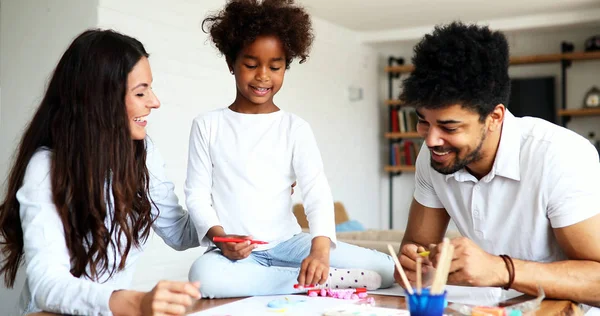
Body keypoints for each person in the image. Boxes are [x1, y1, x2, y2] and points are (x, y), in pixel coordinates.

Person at [185, 0, 394, 298]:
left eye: (275, 66)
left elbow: (316, 193)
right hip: (236, 252)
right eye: (251, 64)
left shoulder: (295, 128)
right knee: (203, 278)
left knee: (386, 271)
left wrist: (320, 252)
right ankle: (321, 281)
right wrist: (221, 239)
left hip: (289, 243)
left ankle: (311, 275)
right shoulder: (207, 125)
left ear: (286, 66)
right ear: (231, 63)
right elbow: (196, 194)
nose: (263, 76)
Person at [396, 22, 600, 306]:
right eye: (422, 121)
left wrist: (500, 269)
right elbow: (417, 252)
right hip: (485, 308)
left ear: (494, 117)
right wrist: (416, 267)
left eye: (449, 127)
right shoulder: (432, 156)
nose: (431, 140)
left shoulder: (560, 155)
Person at [0, 29, 202, 315]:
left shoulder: (143, 154)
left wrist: (237, 192)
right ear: (101, 99)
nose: (154, 102)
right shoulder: (46, 169)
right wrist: (136, 302)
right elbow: (48, 285)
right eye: (141, 92)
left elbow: (179, 232)